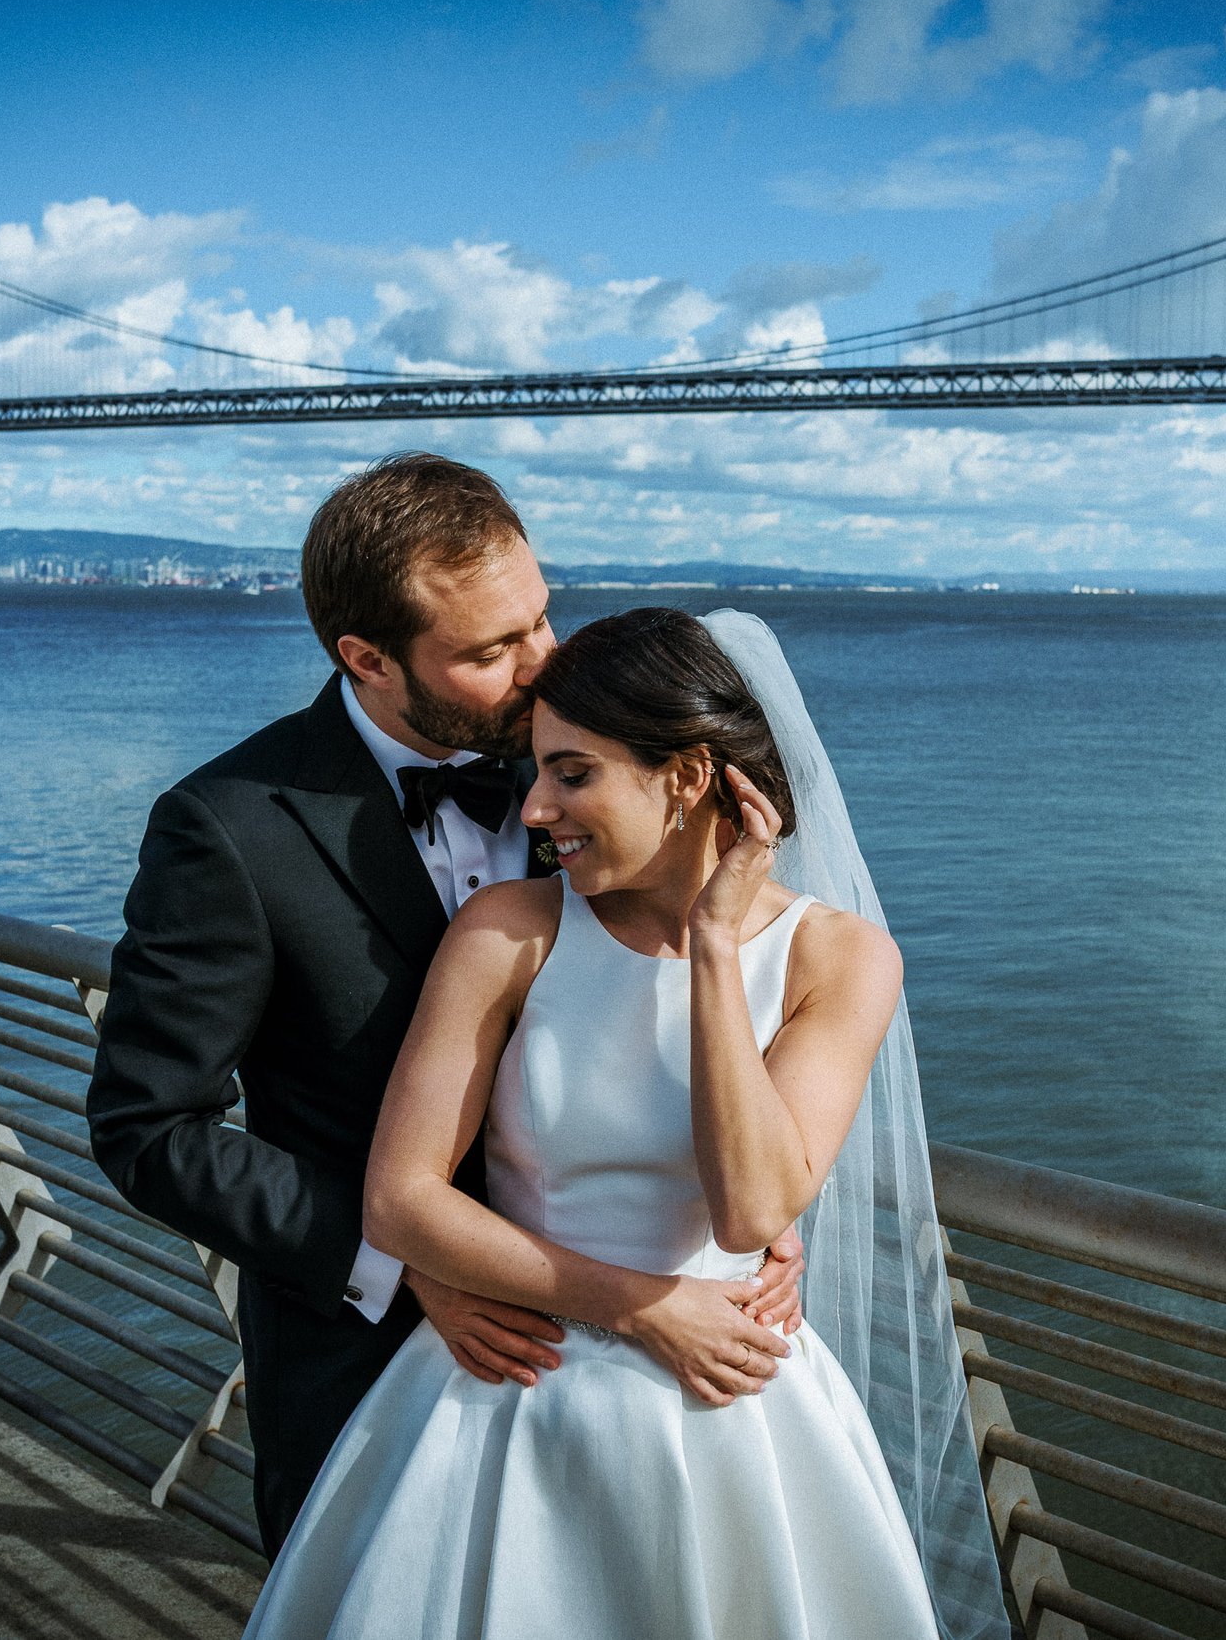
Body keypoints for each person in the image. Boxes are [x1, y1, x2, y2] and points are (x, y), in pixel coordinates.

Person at [85, 455, 803, 1556]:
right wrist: (409, 1257)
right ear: (365, 658)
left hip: (657, 1380)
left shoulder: (598, 767)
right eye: (489, 651)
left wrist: (739, 1204)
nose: (541, 667)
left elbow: (670, 1006)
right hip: (367, 1361)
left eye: (541, 619)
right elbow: (149, 1128)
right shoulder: (226, 829)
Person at [242, 607, 1008, 1640]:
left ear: (687, 776)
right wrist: (646, 1305)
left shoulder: (845, 958)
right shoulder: (505, 932)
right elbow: (400, 1198)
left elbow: (749, 1213)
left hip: (734, 1415)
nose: (537, 806)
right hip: (509, 1396)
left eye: (571, 772)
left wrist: (713, 949)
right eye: (538, 771)